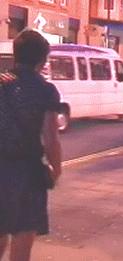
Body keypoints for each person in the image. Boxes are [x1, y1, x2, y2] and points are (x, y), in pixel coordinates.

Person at [0, 30, 62, 261]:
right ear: (42, 60)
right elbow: (51, 136)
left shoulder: (1, 83)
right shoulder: (45, 90)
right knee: (22, 239)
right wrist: (56, 169)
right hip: (27, 171)